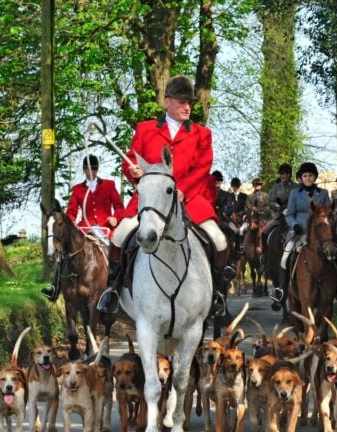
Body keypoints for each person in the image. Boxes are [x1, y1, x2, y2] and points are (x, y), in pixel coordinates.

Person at [97, 75, 234, 314]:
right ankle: (114, 289)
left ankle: (217, 293)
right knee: (119, 236)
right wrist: (134, 172)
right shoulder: (145, 129)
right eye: (182, 101)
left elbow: (203, 168)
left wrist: (182, 191)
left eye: (190, 102)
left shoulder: (202, 134)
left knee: (219, 240)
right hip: (150, 201)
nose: (187, 106)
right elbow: (130, 161)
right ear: (167, 101)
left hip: (188, 198)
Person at [41, 154, 125, 301]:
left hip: (105, 230)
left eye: (94, 168)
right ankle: (55, 287)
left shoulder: (109, 185)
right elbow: (71, 213)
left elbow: (119, 207)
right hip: (85, 229)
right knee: (64, 254)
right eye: (88, 169)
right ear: (84, 170)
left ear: (98, 169)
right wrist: (71, 223)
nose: (92, 171)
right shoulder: (78, 189)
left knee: (115, 254)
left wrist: (115, 218)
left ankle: (116, 287)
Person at [269, 162, 337, 303]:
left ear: (315, 177)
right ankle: (282, 289)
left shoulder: (323, 193)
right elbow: (290, 214)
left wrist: (331, 229)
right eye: (305, 176)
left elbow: (329, 213)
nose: (308, 178)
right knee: (285, 256)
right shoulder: (294, 193)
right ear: (301, 178)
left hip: (321, 233)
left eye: (310, 175)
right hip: (299, 231)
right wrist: (295, 225)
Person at [261, 163, 294, 263]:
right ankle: (265, 255)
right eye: (281, 174)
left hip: (293, 215)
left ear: (289, 174)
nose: (282, 176)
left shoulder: (297, 187)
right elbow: (271, 201)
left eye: (284, 174)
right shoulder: (276, 187)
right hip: (279, 216)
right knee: (264, 231)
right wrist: (278, 206)